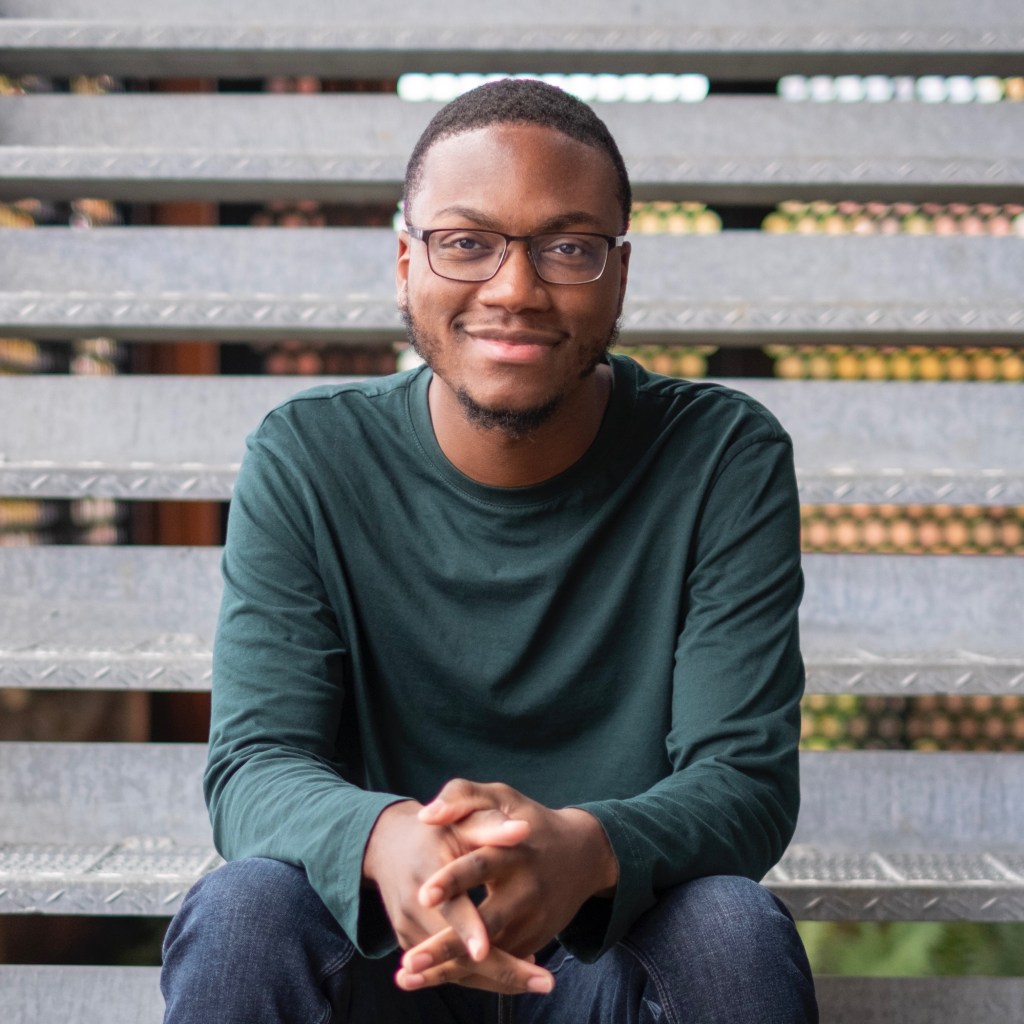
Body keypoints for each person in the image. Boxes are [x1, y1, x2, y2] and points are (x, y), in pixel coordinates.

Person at [161, 78, 818, 1023]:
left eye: (569, 247)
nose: (514, 289)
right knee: (245, 912)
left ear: (619, 273)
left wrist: (584, 850)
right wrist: (388, 837)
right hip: (385, 944)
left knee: (730, 928)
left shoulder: (720, 457)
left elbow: (743, 784)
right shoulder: (309, 455)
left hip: (608, 940)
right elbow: (255, 765)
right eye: (466, 243)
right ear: (405, 263)